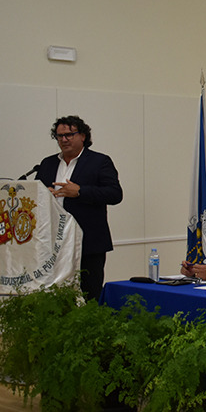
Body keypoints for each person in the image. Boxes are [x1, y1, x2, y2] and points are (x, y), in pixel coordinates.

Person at [36, 115, 123, 301]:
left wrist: (80, 191)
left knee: (88, 296)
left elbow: (115, 194)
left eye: (69, 135)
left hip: (88, 243)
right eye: (59, 136)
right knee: (53, 298)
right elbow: (36, 196)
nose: (64, 140)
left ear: (83, 136)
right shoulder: (47, 164)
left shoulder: (99, 161)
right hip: (53, 244)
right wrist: (44, 194)